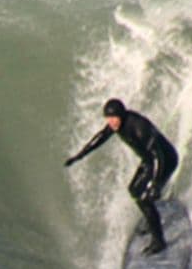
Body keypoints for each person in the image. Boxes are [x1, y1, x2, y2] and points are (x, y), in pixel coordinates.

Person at [65, 98, 180, 254]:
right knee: (134, 190)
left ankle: (159, 241)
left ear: (122, 115)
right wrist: (79, 156)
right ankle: (150, 219)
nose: (111, 122)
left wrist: (156, 183)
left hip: (166, 161)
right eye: (108, 119)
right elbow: (99, 138)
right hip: (149, 161)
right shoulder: (115, 125)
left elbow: (158, 156)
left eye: (114, 118)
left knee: (145, 197)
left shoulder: (139, 127)